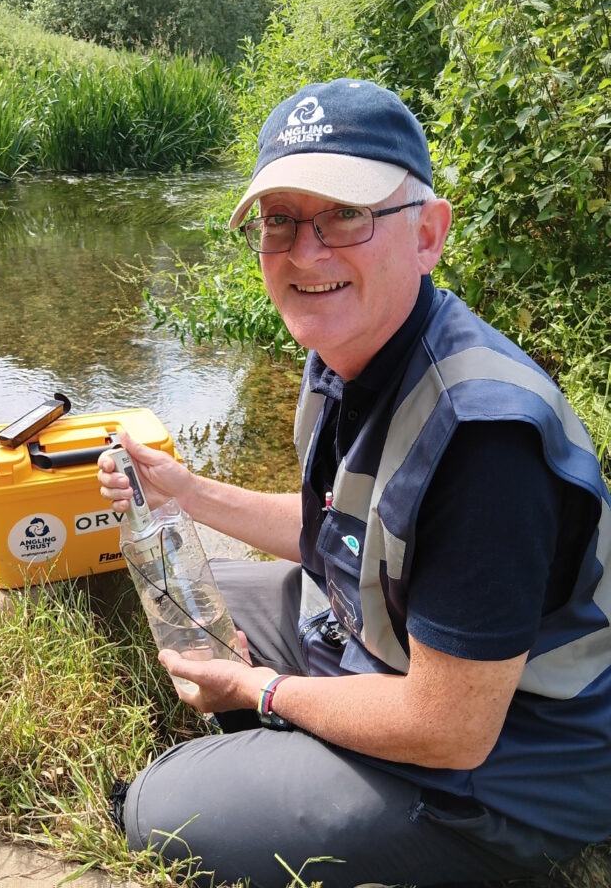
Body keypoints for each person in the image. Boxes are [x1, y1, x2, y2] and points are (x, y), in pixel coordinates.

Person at [98, 78, 611, 888]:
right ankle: (300, 739)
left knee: (161, 811)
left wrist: (261, 691)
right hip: (396, 655)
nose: (307, 251)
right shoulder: (350, 349)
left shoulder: (485, 441)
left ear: (428, 235)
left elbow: (450, 729)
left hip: (510, 763)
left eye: (347, 214)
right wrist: (183, 492)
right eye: (281, 221)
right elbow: (333, 531)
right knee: (191, 596)